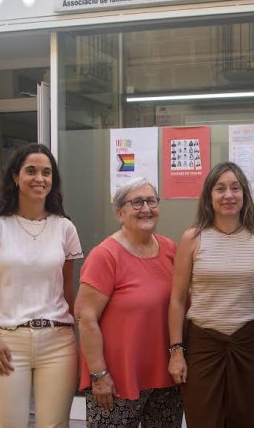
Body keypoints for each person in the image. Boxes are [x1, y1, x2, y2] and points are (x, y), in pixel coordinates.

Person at [0, 143, 83, 428]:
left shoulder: (64, 228)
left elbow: (66, 291)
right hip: (7, 342)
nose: (39, 178)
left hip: (58, 342)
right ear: (15, 177)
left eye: (46, 172)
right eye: (31, 171)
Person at [168, 161, 254, 427]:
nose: (228, 195)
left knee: (249, 420)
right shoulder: (192, 239)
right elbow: (177, 300)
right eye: (220, 189)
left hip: (247, 344)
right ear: (209, 196)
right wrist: (176, 351)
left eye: (235, 188)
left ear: (244, 195)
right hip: (202, 346)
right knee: (203, 420)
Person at [75, 177, 183, 427]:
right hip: (117, 380)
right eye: (137, 202)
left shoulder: (170, 249)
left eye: (151, 201)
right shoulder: (105, 255)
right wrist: (99, 375)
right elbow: (86, 317)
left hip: (165, 375)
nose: (146, 208)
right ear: (119, 212)